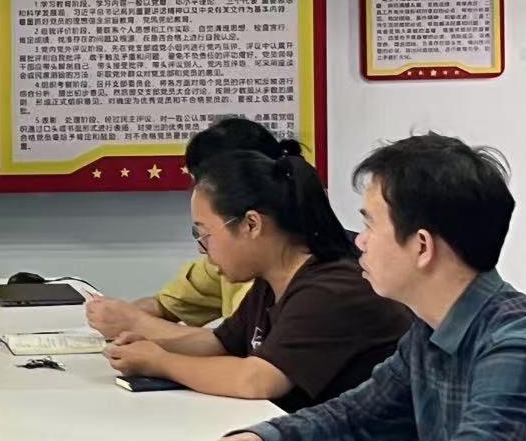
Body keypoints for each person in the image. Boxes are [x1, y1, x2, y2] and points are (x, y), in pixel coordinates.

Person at [192, 134, 526, 441]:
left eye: (370, 224)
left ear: (422, 246)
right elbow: (360, 415)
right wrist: (264, 437)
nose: (360, 241)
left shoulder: (519, 348)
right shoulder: (431, 329)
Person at [105, 143, 411, 409]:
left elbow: (257, 380)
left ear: (251, 224)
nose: (202, 249)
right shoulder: (271, 281)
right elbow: (220, 343)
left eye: (205, 234)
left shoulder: (330, 290)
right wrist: (150, 345)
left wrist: (161, 362)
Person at [86, 117, 285, 340]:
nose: (202, 249)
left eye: (205, 233)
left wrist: (139, 327)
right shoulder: (235, 257)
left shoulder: (294, 279)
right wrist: (120, 316)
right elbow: (170, 306)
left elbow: (241, 351)